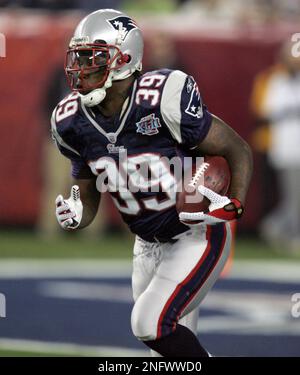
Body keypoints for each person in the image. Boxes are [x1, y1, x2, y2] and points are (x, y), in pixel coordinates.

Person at [51, 9, 252, 357]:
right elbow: (86, 194)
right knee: (165, 347)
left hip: (195, 235)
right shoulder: (71, 121)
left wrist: (233, 203)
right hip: (145, 245)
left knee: (150, 324)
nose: (80, 67)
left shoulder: (161, 98)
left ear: (124, 58)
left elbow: (237, 148)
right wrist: (75, 212)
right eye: (78, 56)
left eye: (92, 57)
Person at [251, 39, 300, 254]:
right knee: (293, 196)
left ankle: (274, 228)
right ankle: (284, 232)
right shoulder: (274, 81)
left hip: (295, 144)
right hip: (285, 147)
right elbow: (265, 111)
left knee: (294, 198)